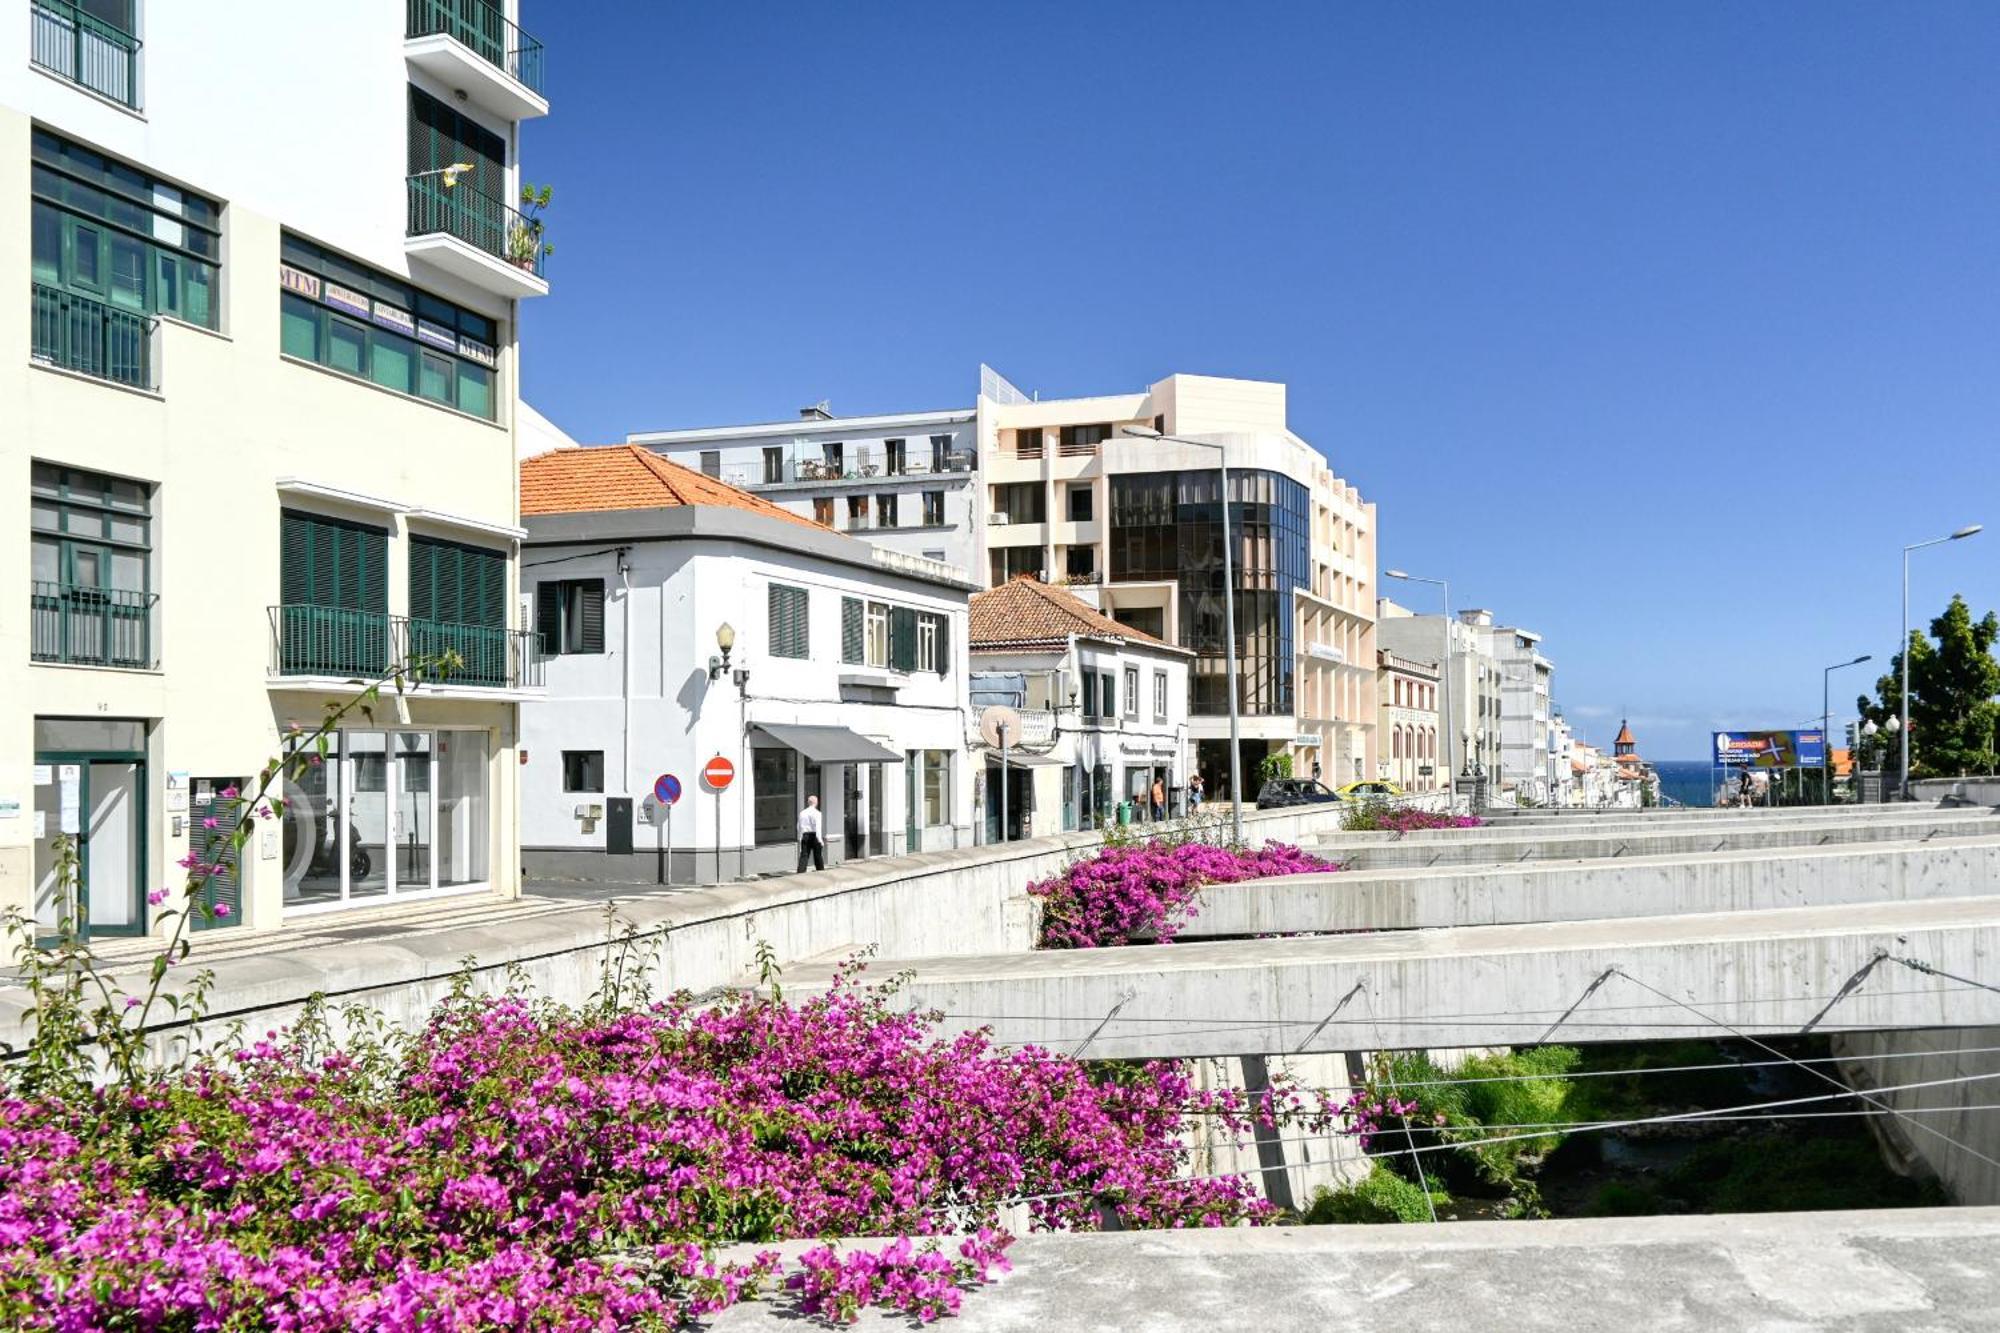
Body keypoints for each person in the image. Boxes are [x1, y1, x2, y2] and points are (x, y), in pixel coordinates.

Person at [796, 794, 825, 872]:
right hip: (815, 835)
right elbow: (818, 827)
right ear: (816, 802)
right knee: (818, 856)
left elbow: (799, 826)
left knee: (804, 856)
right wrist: (820, 840)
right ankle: (821, 872)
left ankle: (800, 872)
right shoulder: (818, 813)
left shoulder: (802, 813)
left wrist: (800, 836)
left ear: (808, 802)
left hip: (805, 835)